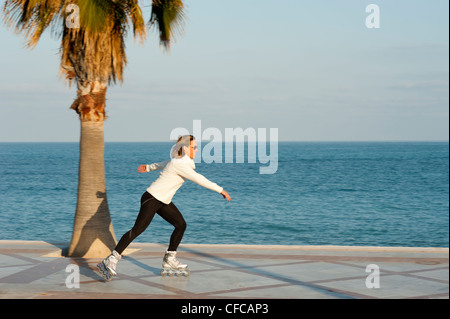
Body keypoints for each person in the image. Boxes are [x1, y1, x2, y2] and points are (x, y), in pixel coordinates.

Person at [98, 135, 230, 280]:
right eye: (194, 147)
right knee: (138, 229)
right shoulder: (180, 164)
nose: (197, 150)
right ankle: (112, 259)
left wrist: (148, 167)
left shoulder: (178, 162)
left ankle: (169, 259)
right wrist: (220, 190)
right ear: (185, 148)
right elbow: (199, 179)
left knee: (180, 224)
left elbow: (163, 164)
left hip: (162, 201)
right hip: (152, 198)